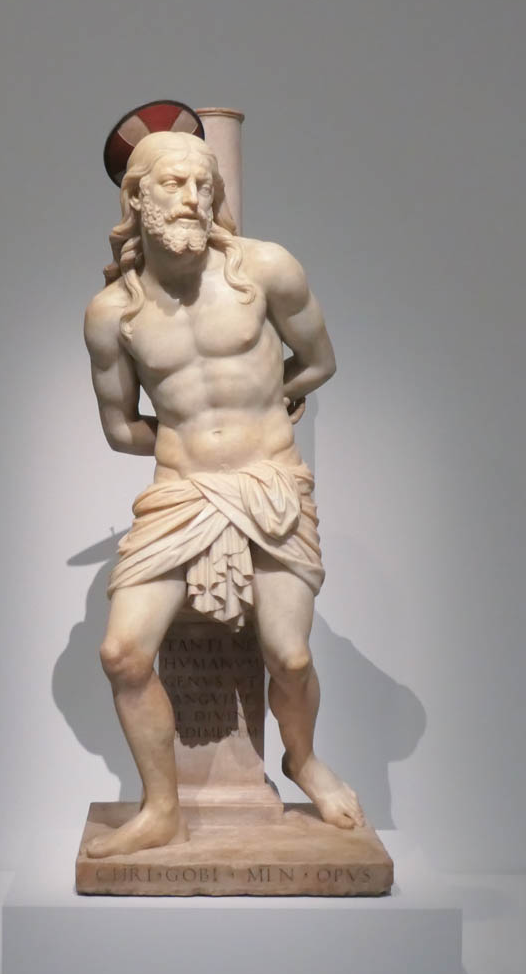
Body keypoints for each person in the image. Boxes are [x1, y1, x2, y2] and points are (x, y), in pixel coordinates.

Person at [82, 130, 365, 858]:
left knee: (289, 656)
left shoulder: (264, 269)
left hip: (269, 482)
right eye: (173, 183)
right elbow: (120, 428)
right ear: (136, 196)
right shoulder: (111, 313)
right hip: (182, 492)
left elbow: (319, 361)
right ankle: (161, 809)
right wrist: (186, 441)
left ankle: (303, 760)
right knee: (122, 654)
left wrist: (268, 410)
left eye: (203, 185)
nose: (192, 198)